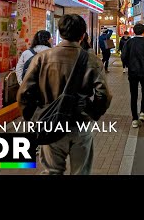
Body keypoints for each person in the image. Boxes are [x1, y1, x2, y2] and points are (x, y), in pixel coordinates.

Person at [17, 14, 112, 175]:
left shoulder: (41, 58)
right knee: (81, 171)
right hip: (80, 124)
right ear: (83, 35)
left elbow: (24, 94)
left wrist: (35, 117)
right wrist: (92, 113)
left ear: (60, 33)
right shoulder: (92, 60)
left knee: (52, 171)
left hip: (50, 123)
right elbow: (104, 95)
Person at [121, 23, 144, 128]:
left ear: (134, 31)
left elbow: (123, 56)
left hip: (133, 73)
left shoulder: (129, 42)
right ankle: (142, 113)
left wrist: (129, 65)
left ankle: (134, 119)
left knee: (134, 95)